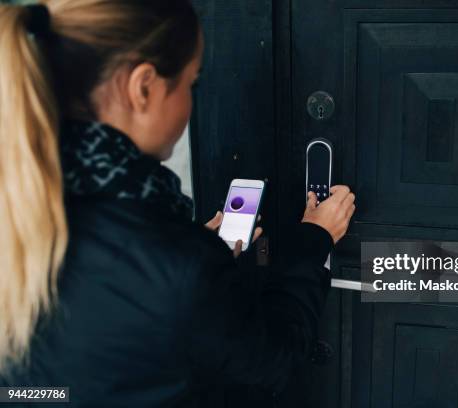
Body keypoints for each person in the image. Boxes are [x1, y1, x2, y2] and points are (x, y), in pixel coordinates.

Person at [0, 1, 355, 406]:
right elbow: (272, 363)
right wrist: (314, 240)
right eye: (191, 83)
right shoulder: (177, 264)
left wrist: (184, 258)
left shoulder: (20, 208)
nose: (190, 103)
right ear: (144, 87)